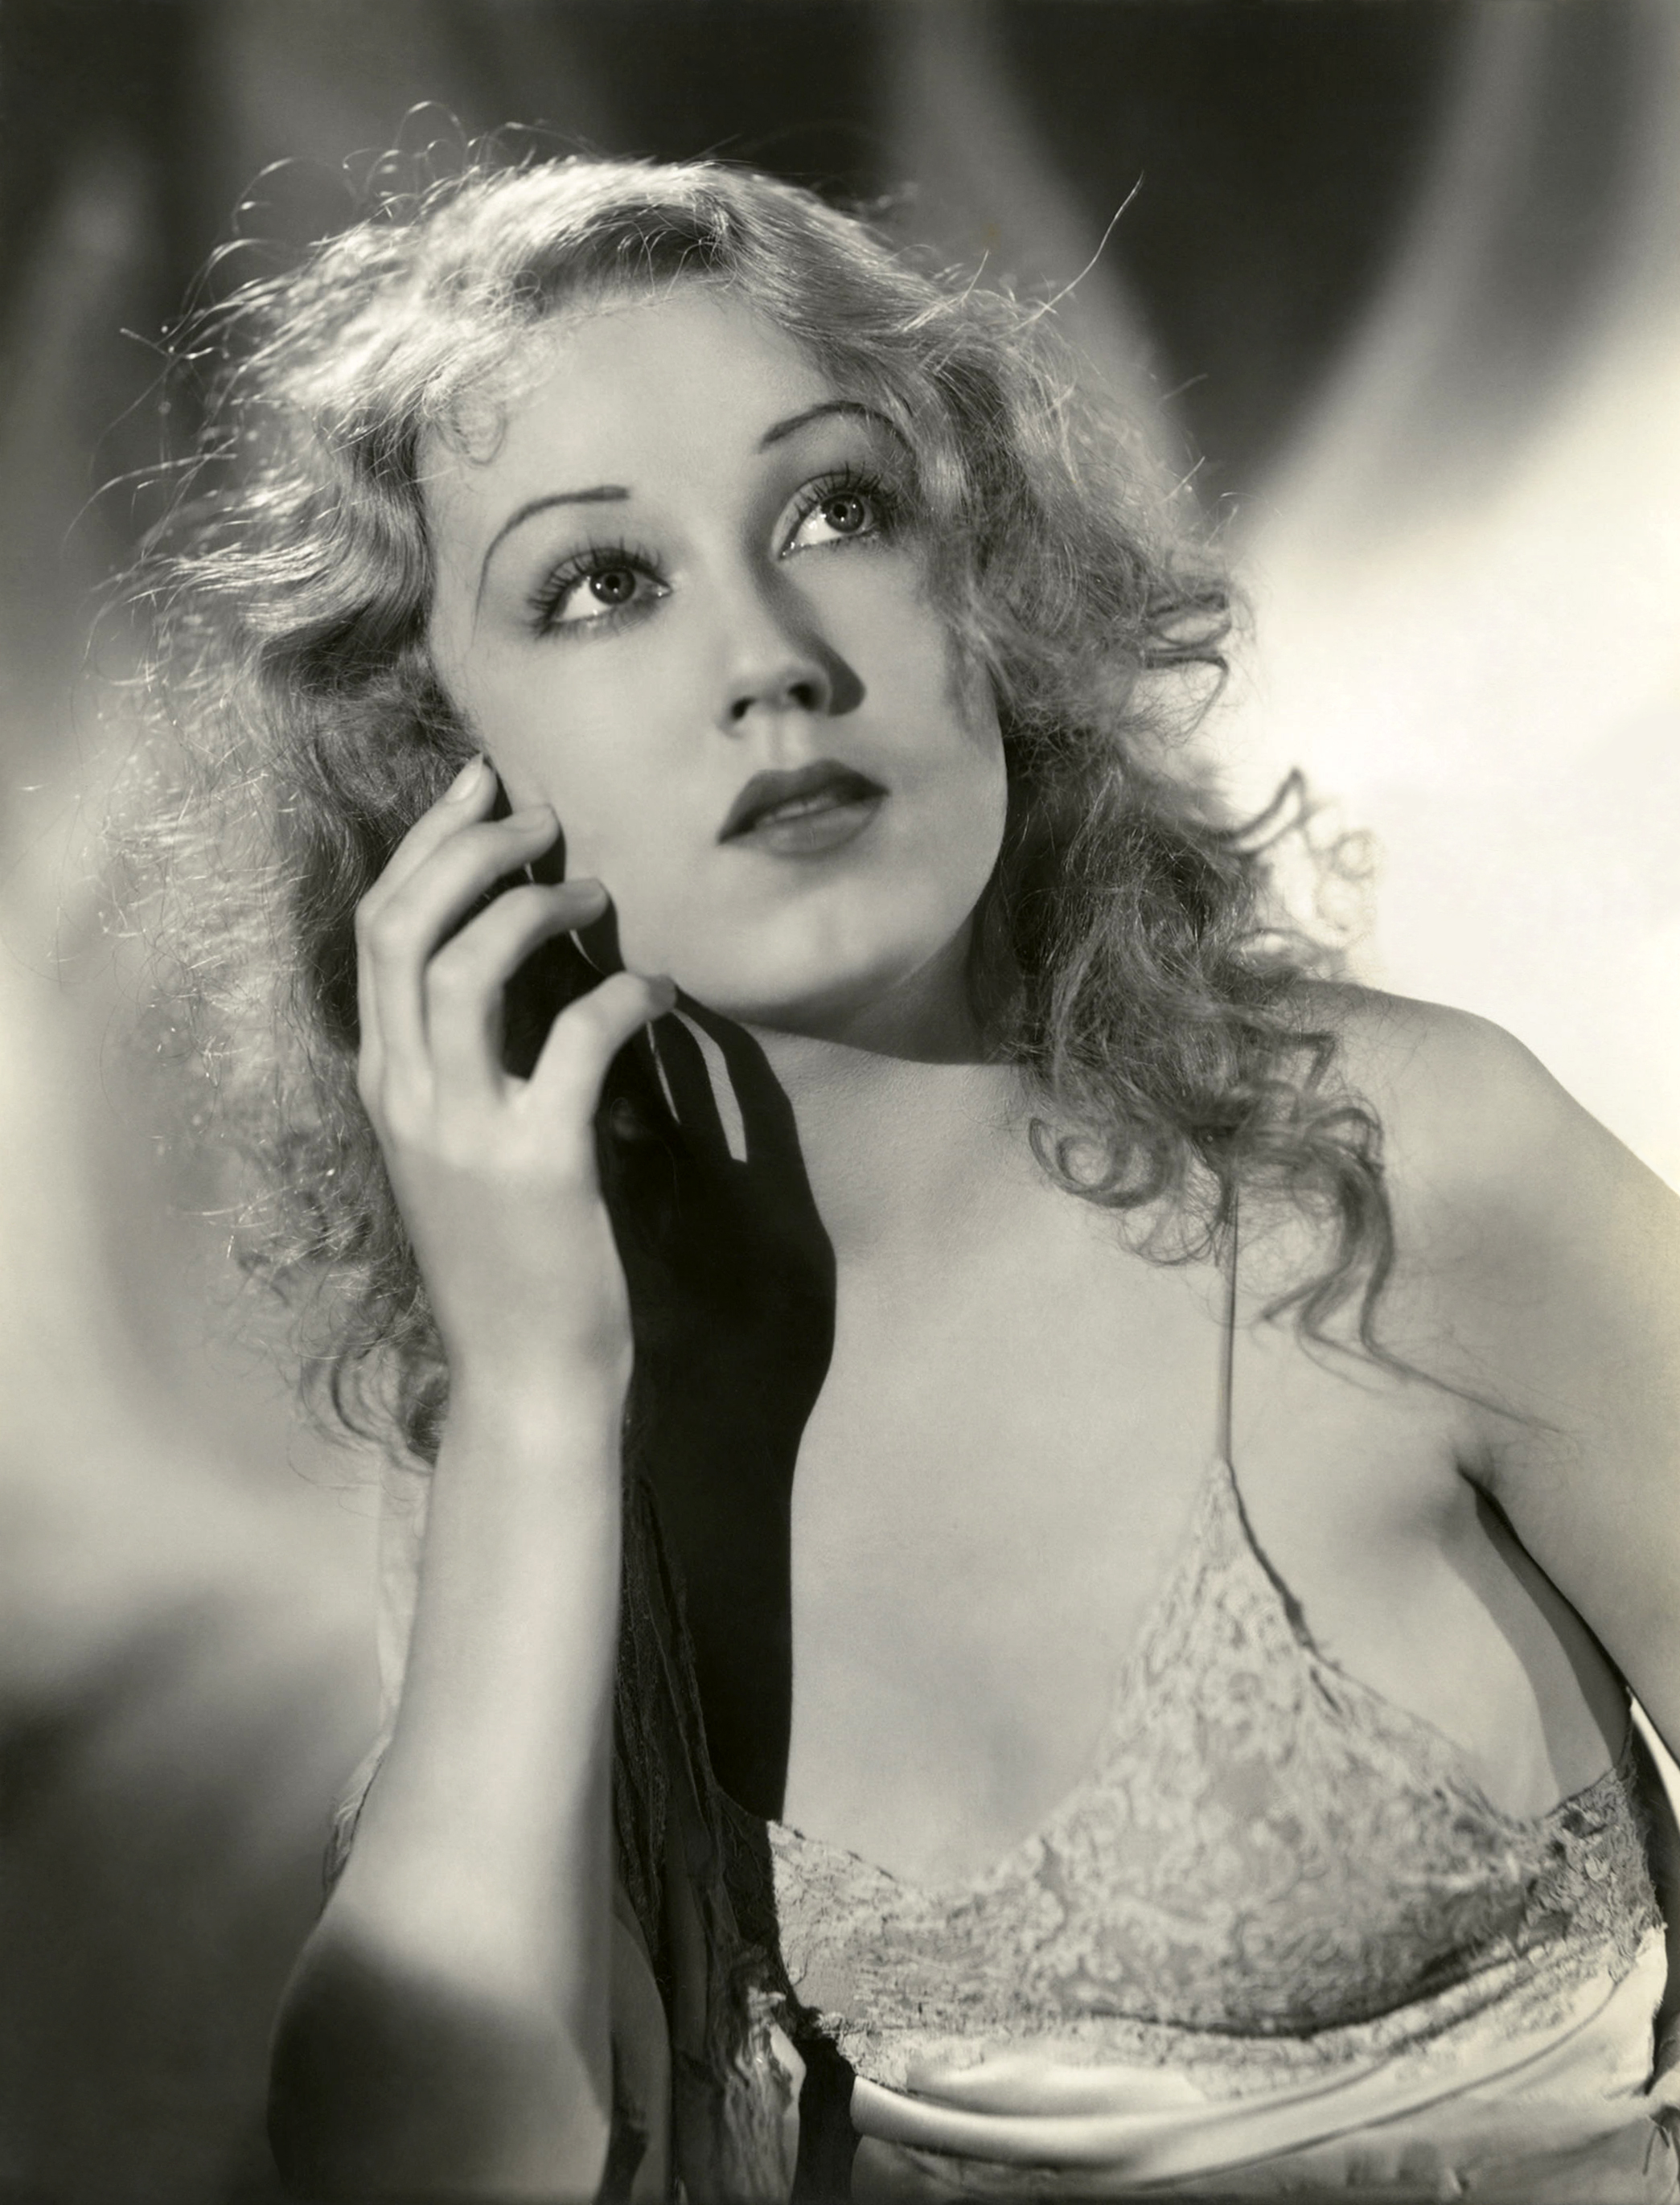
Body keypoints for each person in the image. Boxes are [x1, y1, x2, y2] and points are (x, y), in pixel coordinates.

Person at [125, 153, 1680, 2202]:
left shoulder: (1386, 1180)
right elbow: (428, 2165)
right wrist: (527, 1403)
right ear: (432, 772)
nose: (769, 654)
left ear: (992, 596)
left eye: (838, 510)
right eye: (600, 584)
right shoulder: (529, 1405)